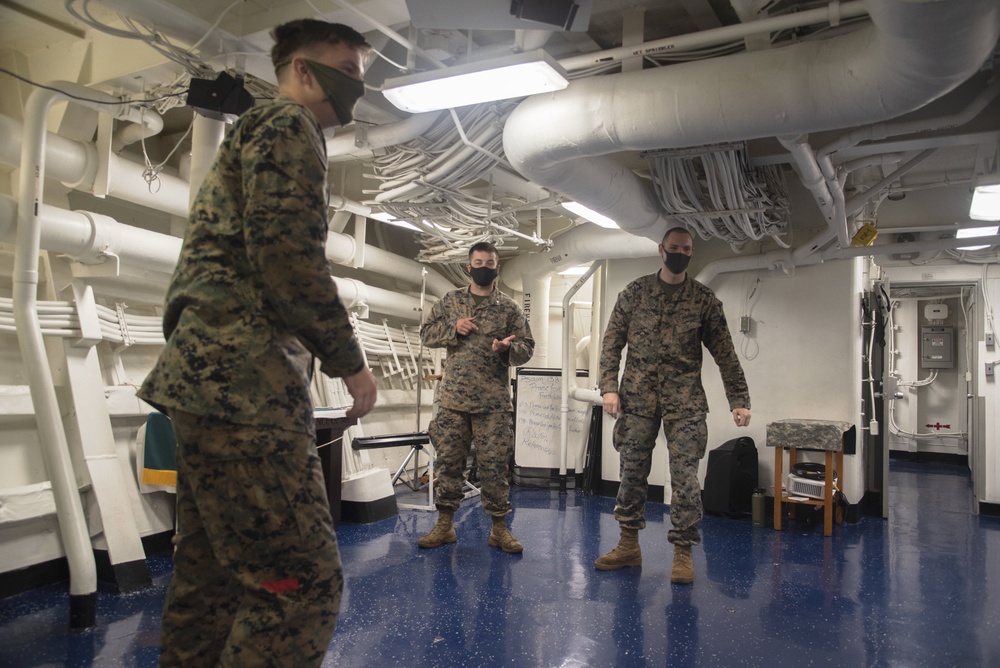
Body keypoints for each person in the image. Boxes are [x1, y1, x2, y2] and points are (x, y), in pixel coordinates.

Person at [138, 20, 377, 667]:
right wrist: (349, 362)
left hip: (205, 385)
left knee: (210, 582)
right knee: (299, 585)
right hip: (245, 389)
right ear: (303, 70)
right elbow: (289, 260)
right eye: (348, 70)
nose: (358, 84)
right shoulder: (288, 126)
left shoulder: (253, 134)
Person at [596, 226, 751, 584]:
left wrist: (739, 400)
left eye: (686, 248)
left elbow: (726, 354)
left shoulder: (703, 300)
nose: (680, 253)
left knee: (685, 479)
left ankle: (682, 552)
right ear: (661, 250)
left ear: (691, 253)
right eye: (674, 247)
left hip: (685, 402)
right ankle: (628, 545)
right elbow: (610, 343)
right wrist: (609, 387)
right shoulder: (634, 293)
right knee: (632, 473)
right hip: (637, 397)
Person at [417, 241, 534, 553]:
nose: (484, 268)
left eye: (490, 263)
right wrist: (453, 327)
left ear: (497, 267)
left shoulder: (508, 308)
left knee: (495, 467)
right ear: (469, 267)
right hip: (454, 400)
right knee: (448, 464)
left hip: (493, 403)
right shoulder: (450, 301)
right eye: (478, 262)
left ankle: (499, 529)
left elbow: (528, 347)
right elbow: (426, 333)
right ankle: (444, 526)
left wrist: (508, 349)